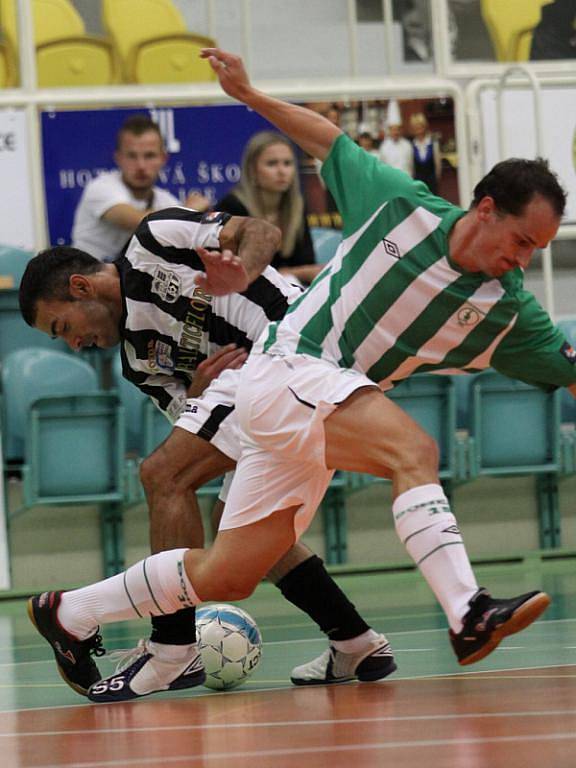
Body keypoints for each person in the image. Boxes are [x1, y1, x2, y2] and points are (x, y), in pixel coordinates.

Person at [28, 47, 572, 705]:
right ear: (485, 208)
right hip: (293, 364)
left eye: (537, 252)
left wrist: (243, 271)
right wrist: (249, 94)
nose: (521, 260)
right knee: (413, 452)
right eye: (519, 242)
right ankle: (467, 612)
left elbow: (255, 228)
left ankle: (73, 612)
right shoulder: (402, 204)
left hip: (306, 393)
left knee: (230, 571)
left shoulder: (507, 310)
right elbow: (328, 139)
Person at [20, 207, 395, 701]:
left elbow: (263, 228)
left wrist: (243, 270)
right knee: (242, 525)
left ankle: (172, 649)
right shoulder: (138, 362)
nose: (74, 343)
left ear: (81, 288)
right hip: (271, 397)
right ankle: (356, 641)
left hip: (298, 346)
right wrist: (197, 391)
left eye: (61, 326)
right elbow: (196, 430)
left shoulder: (155, 240)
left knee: (162, 476)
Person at [71, 114, 209, 262]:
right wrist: (188, 210)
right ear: (118, 158)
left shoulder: (167, 202)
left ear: (163, 159)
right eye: (132, 156)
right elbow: (140, 222)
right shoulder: (101, 187)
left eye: (149, 156)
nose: (141, 166)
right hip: (85, 278)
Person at [216, 131, 322, 286]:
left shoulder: (297, 206)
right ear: (252, 170)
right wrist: (294, 273)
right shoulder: (232, 207)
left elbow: (308, 263)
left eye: (287, 163)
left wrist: (294, 273)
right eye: (272, 163)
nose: (282, 171)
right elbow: (239, 271)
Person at [378, 101, 414, 177]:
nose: (395, 132)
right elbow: (382, 168)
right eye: (393, 129)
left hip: (406, 181)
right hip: (390, 182)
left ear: (401, 130)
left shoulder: (407, 145)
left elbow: (411, 166)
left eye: (398, 129)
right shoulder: (384, 146)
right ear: (389, 130)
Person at [409, 113, 442, 195]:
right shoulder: (411, 145)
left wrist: (436, 179)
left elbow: (438, 165)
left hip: (432, 182)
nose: (419, 129)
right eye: (416, 127)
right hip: (418, 182)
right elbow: (411, 166)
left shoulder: (433, 142)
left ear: (425, 126)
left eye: (420, 126)